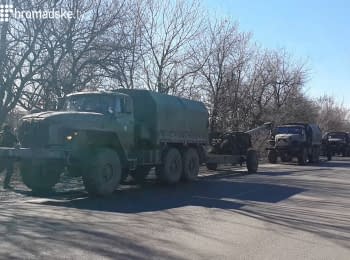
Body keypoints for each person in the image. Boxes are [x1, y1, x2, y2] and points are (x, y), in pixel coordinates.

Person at [0, 124, 18, 189]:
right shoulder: (11, 135)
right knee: (9, 170)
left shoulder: (1, 134)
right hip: (8, 155)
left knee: (2, 169)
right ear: (8, 129)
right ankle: (6, 184)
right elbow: (17, 142)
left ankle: (6, 184)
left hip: (2, 155)